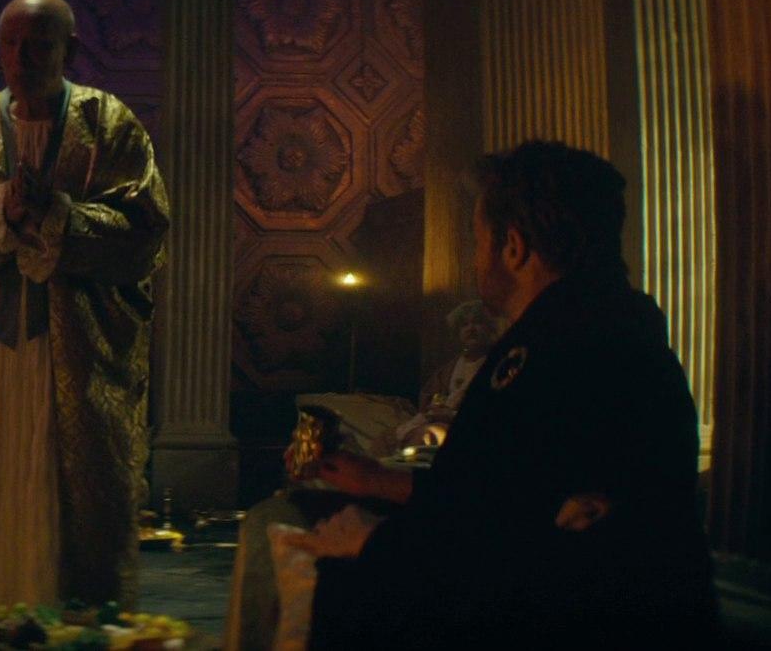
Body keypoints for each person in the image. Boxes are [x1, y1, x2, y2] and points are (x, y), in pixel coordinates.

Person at [290, 141, 716, 647]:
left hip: (577, 625)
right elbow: (506, 489)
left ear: (513, 248)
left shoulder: (550, 354)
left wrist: (372, 542)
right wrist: (379, 481)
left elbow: (506, 542)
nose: (475, 261)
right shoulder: (610, 328)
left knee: (302, 558)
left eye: (477, 241)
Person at [0, 0, 170, 635]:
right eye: (11, 44)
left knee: (73, 499)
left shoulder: (110, 125)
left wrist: (59, 218)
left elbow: (143, 231)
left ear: (69, 49)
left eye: (40, 45)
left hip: (76, 362)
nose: (22, 58)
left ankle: (75, 635)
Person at [389, 300, 499, 449]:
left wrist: (452, 415)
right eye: (465, 325)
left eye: (477, 323)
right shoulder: (449, 369)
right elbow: (429, 400)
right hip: (435, 421)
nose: (470, 328)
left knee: (426, 435)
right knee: (387, 438)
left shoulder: (498, 365)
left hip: (469, 429)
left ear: (489, 328)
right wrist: (435, 409)